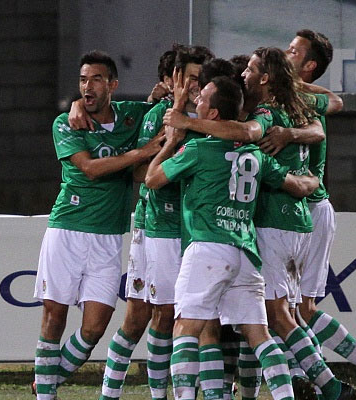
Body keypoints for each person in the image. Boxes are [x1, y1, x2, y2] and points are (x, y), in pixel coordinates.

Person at [164, 48, 356, 400]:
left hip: (250, 230)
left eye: (251, 70)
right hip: (276, 230)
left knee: (263, 318)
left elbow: (248, 131)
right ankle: (308, 386)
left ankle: (326, 384)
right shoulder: (292, 110)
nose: (244, 75)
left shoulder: (256, 120)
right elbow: (329, 111)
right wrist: (312, 176)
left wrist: (184, 123)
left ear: (264, 79)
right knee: (268, 324)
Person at [146, 76, 321, 400]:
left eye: (203, 99)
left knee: (185, 329)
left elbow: (152, 179)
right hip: (245, 251)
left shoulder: (198, 149)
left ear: (213, 114)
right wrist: (313, 181)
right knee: (261, 337)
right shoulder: (255, 154)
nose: (197, 102)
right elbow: (295, 186)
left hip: (208, 248)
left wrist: (170, 143)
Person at [31, 50, 163, 400]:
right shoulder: (66, 123)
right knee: (54, 317)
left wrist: (165, 94)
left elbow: (159, 111)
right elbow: (90, 168)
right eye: (82, 80)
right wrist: (141, 152)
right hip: (68, 229)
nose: (87, 87)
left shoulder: (133, 117)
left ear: (113, 85)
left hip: (107, 237)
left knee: (93, 329)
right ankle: (46, 395)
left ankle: (47, 378)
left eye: (96, 79)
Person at [283, 29, 356, 400]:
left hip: (311, 209)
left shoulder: (304, 98)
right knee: (288, 307)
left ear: (309, 65)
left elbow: (335, 102)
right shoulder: (290, 97)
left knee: (298, 307)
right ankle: (315, 380)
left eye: (293, 51)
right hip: (295, 212)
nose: (286, 54)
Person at [99, 44, 213, 400]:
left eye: (201, 79)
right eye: (191, 78)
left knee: (188, 319)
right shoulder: (160, 117)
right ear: (172, 80)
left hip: (189, 228)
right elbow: (139, 174)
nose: (197, 85)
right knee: (157, 315)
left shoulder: (207, 116)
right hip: (162, 226)